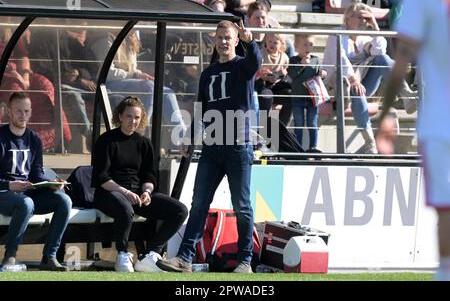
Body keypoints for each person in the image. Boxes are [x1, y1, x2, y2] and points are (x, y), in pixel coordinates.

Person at [156, 20, 262, 273]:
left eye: (228, 37)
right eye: (220, 37)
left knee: (242, 206)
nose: (224, 42)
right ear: (214, 40)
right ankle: (185, 259)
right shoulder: (208, 73)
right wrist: (190, 138)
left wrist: (251, 42)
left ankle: (245, 260)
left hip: (238, 145)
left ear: (236, 40)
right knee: (199, 202)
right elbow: (201, 111)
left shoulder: (243, 66)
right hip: (212, 146)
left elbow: (256, 62)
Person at [376, 0, 450, 281]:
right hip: (438, 122)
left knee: (445, 213)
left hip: (438, 123)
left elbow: (403, 57)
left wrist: (384, 114)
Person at [91, 96, 188, 272]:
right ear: (120, 116)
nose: (133, 121)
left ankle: (151, 253)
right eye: (129, 116)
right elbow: (101, 177)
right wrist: (125, 192)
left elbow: (149, 176)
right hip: (108, 193)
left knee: (180, 210)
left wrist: (147, 192)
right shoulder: (106, 141)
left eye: (137, 117)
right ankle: (122, 254)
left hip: (137, 196)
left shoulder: (144, 143)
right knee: (126, 209)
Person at [323, 2, 417, 154]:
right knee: (355, 88)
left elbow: (380, 50)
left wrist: (375, 26)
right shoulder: (337, 34)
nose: (364, 22)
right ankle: (369, 142)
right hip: (339, 89)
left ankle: (407, 96)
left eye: (366, 19)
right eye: (360, 18)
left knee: (383, 59)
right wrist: (354, 80)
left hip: (363, 84)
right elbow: (340, 59)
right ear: (347, 19)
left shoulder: (365, 36)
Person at [0, 92, 72, 271]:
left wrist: (50, 183)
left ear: (31, 112)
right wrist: (10, 185)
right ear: (9, 112)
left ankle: (49, 257)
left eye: (26, 111)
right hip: (4, 194)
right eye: (18, 111)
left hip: (26, 193)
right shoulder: (1, 137)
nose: (22, 115)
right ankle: (10, 256)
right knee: (26, 202)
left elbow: (37, 174)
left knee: (64, 200)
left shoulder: (34, 139)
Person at [288, 34, 327, 151]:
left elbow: (320, 72)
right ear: (296, 46)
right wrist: (301, 65)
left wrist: (323, 73)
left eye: (311, 45)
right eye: (305, 45)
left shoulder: (315, 59)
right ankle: (298, 147)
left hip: (313, 98)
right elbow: (292, 75)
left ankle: (313, 147)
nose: (308, 48)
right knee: (298, 123)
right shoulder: (293, 60)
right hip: (297, 97)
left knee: (312, 122)